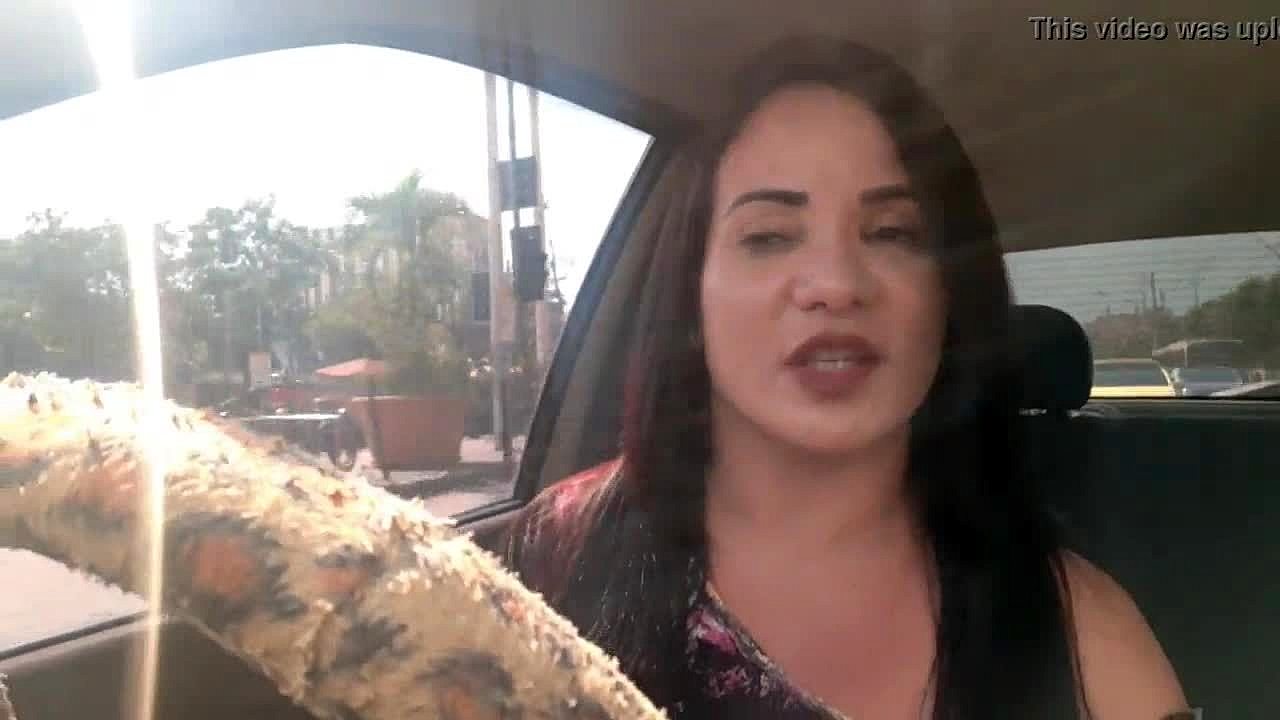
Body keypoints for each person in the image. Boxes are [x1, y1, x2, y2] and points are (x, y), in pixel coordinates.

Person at [505, 36, 1188, 719]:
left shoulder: (1081, 638)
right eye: (770, 236)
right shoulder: (556, 558)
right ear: (691, 296)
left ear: (948, 297)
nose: (835, 284)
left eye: (892, 233)